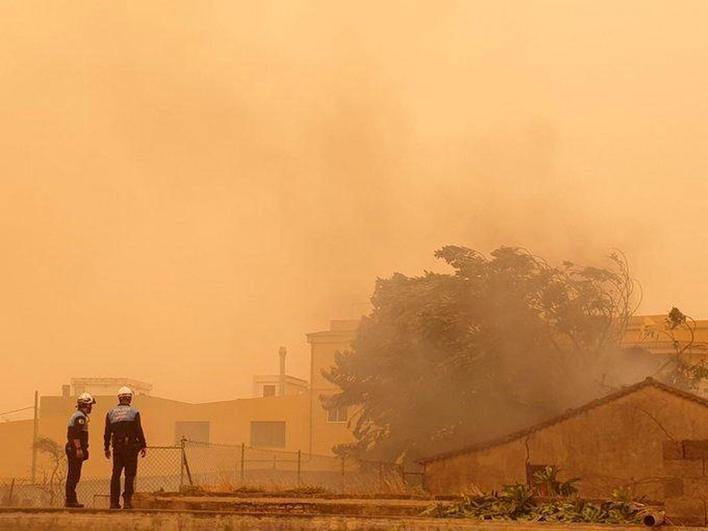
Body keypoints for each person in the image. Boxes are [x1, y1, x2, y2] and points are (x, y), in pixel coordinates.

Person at [104, 386, 147, 509]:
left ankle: (113, 502)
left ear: (119, 398)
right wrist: (143, 445)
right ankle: (127, 502)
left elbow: (107, 432)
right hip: (131, 448)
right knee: (129, 475)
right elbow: (139, 430)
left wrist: (106, 448)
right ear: (130, 398)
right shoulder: (134, 412)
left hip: (117, 447)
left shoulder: (111, 413)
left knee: (116, 474)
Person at [65, 392, 96, 508]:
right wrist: (78, 449)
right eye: (90, 405)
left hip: (73, 448)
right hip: (74, 449)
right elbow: (75, 434)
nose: (91, 408)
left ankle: (71, 499)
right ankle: (70, 500)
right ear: (86, 405)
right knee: (74, 475)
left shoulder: (78, 415)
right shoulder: (80, 417)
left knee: (73, 474)